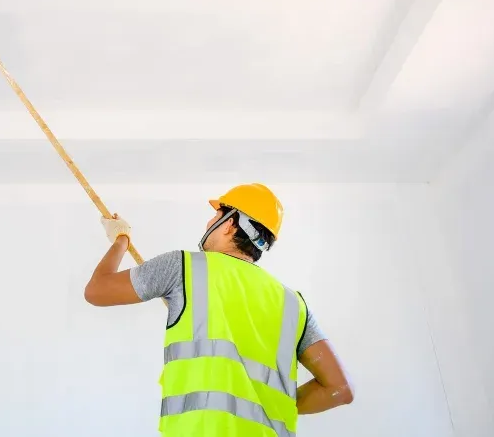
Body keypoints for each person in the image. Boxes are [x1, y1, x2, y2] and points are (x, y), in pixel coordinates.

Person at [83, 183, 353, 436]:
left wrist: (121, 240)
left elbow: (97, 290)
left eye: (216, 215)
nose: (209, 222)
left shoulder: (184, 267)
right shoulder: (294, 304)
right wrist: (268, 406)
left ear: (230, 224)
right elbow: (340, 389)